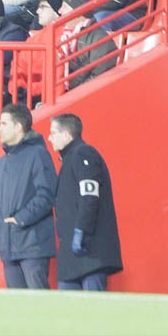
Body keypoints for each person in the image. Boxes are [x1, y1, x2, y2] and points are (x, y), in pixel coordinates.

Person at [49, 113, 123, 291]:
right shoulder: (71, 159)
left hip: (90, 250)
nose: (50, 138)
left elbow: (90, 196)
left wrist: (81, 230)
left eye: (53, 133)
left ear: (66, 135)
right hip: (73, 252)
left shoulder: (83, 153)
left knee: (92, 309)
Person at [0, 103, 57, 290]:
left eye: (4, 124)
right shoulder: (3, 160)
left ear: (18, 127)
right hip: (8, 244)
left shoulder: (38, 154)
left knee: (37, 304)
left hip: (32, 244)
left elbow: (47, 194)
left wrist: (20, 220)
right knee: (16, 306)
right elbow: (0, 197)